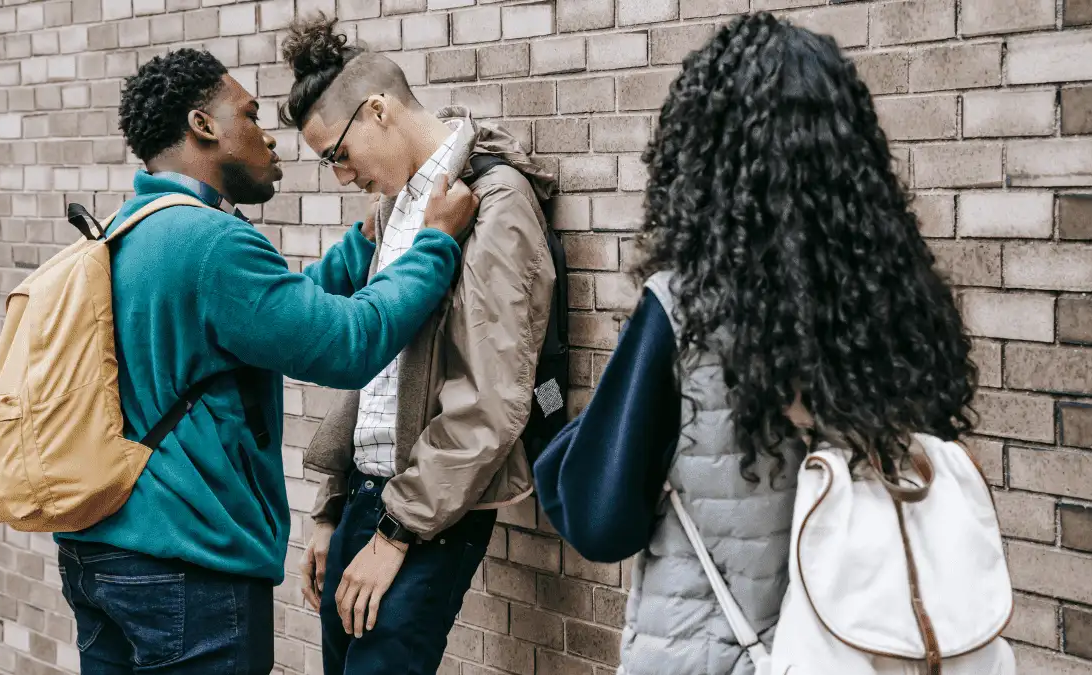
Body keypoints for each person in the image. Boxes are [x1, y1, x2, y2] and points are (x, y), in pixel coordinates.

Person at [533, 13, 979, 675]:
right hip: (866, 649)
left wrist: (564, 441)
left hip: (713, 652)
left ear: (702, 154)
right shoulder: (902, 304)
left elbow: (601, 519)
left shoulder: (683, 311)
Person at [53, 47, 479, 675]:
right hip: (185, 566)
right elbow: (347, 343)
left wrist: (366, 245)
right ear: (204, 127)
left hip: (102, 558)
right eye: (250, 117)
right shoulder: (211, 244)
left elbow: (274, 315)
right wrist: (435, 242)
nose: (269, 139)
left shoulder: (130, 227)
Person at [277, 16, 557, 675]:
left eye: (338, 155)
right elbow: (374, 367)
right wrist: (332, 508)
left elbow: (491, 398)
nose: (342, 176)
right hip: (367, 498)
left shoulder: (493, 202)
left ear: (377, 109)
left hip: (429, 507)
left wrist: (397, 531)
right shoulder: (396, 209)